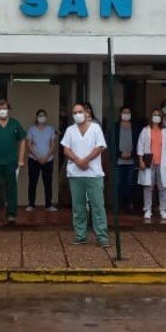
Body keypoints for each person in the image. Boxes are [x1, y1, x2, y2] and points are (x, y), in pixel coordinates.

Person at [62, 103, 109, 247]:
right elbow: (66, 149)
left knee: (98, 206)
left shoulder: (95, 128)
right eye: (74, 112)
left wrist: (86, 160)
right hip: (75, 174)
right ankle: (80, 235)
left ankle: (102, 237)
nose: (77, 114)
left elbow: (100, 147)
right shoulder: (70, 130)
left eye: (80, 111)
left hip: (93, 174)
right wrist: (78, 161)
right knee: (78, 207)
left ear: (86, 112)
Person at [137, 108, 166, 223]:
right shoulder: (145, 130)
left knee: (163, 187)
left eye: (158, 115)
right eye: (154, 115)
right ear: (151, 117)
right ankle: (147, 209)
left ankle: (163, 210)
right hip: (149, 162)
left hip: (162, 163)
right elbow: (140, 145)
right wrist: (141, 160)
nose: (156, 117)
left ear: (161, 118)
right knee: (148, 187)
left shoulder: (165, 131)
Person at [25, 108, 57, 211]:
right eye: (40, 115)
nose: (41, 117)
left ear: (46, 117)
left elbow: (53, 144)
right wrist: (38, 157)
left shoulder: (50, 129)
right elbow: (29, 145)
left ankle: (48, 205)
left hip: (48, 160)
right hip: (34, 160)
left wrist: (46, 157)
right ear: (36, 117)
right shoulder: (31, 129)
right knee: (32, 182)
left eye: (43, 115)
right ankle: (31, 204)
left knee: (48, 183)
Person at [114, 106, 139, 214]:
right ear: (120, 114)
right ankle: (118, 205)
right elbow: (112, 142)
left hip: (131, 160)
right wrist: (120, 153)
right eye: (124, 112)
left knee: (130, 183)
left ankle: (129, 204)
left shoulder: (135, 127)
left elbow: (139, 143)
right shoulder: (115, 126)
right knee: (119, 182)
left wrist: (131, 154)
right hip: (119, 160)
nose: (126, 114)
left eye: (128, 112)